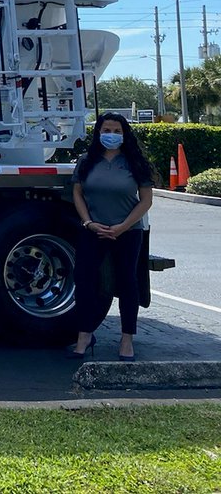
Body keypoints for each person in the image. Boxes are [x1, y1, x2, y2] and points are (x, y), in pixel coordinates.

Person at [69, 112, 155, 361]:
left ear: (125, 134)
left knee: (127, 283)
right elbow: (77, 193)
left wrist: (123, 226)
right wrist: (88, 222)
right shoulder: (86, 161)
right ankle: (84, 336)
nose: (112, 135)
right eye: (107, 130)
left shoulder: (135, 163)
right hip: (93, 231)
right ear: (98, 132)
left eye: (117, 131)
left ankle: (127, 340)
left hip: (127, 232)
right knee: (84, 281)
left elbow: (146, 200)